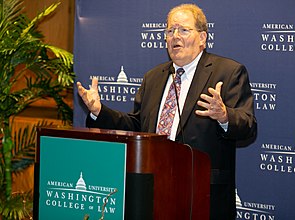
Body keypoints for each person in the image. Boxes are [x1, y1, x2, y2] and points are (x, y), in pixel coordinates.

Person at [77, 3, 257, 220]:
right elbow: (136, 126)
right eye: (170, 30)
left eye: (183, 30)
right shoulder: (154, 77)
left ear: (202, 38)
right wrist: (99, 111)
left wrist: (225, 116)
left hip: (202, 196)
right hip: (153, 188)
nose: (175, 36)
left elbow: (248, 126)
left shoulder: (227, 72)